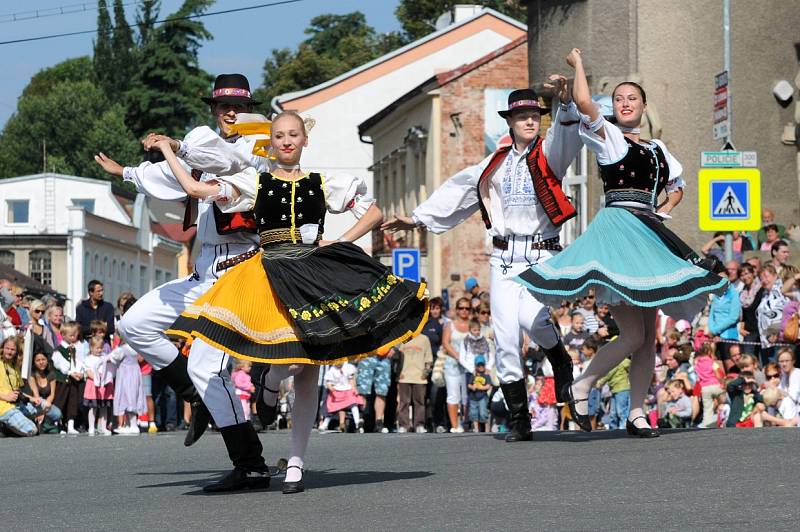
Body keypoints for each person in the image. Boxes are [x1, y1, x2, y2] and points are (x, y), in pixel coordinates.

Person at [156, 110, 428, 494]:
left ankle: (297, 462)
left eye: (293, 134)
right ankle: (269, 382)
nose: (286, 141)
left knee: (310, 368)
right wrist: (171, 151)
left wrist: (342, 241)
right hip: (270, 272)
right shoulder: (255, 182)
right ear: (272, 140)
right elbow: (200, 191)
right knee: (291, 361)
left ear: (304, 140)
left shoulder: (323, 182)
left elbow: (375, 213)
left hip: (314, 270)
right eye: (280, 135)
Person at [516, 48, 727, 438]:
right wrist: (579, 65)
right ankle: (582, 383)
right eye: (619, 99)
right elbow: (582, 101)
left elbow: (677, 187)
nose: (625, 104)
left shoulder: (658, 149)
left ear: (644, 106)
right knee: (632, 335)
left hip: (646, 231)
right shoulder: (609, 135)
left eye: (632, 98)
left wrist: (659, 213)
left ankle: (636, 412)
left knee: (647, 339)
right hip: (618, 231)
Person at [382, 75, 583, 442]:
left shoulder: (549, 154)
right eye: (521, 115)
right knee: (505, 336)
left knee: (532, 320)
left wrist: (565, 102)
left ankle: (559, 356)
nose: (529, 120)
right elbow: (459, 190)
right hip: (505, 256)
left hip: (541, 254)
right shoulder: (496, 162)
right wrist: (417, 218)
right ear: (509, 121)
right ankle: (520, 419)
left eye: (535, 115)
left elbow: (566, 136)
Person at [94, 74, 268, 449]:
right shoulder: (203, 144)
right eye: (224, 106)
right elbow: (168, 174)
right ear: (215, 109)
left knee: (209, 368)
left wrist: (175, 145)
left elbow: (223, 158)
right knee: (133, 324)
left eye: (238, 106)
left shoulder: (258, 145)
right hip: (205, 270)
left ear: (250, 110)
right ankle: (195, 398)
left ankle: (249, 460)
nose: (231, 113)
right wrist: (124, 171)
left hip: (240, 273)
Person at [0, 337, 59, 436]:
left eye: (13, 349)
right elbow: (8, 395)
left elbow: (18, 391)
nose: (9, 352)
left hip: (16, 404)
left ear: (17, 351)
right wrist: (5, 396)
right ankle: (5, 428)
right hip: (3, 407)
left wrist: (33, 399)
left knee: (47, 407)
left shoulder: (15, 367)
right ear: (2, 348)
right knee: (32, 430)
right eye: (7, 348)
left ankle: (15, 422)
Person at [109, 299, 146, 435]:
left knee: (127, 397)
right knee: (132, 397)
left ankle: (132, 425)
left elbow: (112, 357)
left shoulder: (123, 349)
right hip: (134, 374)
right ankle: (131, 424)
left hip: (125, 376)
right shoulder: (133, 348)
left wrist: (104, 359)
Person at [441, 297, 471, 433]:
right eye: (461, 308)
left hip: (469, 366)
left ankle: (466, 423)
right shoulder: (450, 325)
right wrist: (458, 356)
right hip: (452, 364)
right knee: (453, 394)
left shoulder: (473, 325)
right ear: (457, 310)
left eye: (467, 308)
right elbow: (446, 343)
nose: (464, 311)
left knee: (468, 396)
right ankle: (454, 425)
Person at [51, 322, 86, 435]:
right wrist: (70, 372)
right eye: (71, 335)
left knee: (73, 403)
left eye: (75, 335)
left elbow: (80, 362)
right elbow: (60, 364)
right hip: (63, 381)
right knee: (61, 402)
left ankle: (71, 425)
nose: (74, 337)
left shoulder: (77, 348)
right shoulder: (59, 350)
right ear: (63, 335)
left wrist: (80, 372)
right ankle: (60, 425)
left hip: (73, 381)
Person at [395, 333, 433, 433]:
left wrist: (425, 373)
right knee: (403, 402)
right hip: (404, 376)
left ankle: (419, 425)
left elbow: (428, 358)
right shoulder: (402, 338)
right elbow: (396, 357)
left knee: (420, 402)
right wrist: (398, 373)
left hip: (419, 377)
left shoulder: (424, 338)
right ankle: (404, 425)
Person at [707, 269, 741, 371]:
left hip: (728, 336)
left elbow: (733, 317)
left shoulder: (734, 293)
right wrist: (711, 331)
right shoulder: (716, 296)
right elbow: (711, 315)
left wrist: (715, 330)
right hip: (716, 338)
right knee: (719, 369)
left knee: (731, 370)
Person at [421, 297, 447, 432]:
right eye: (432, 308)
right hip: (424, 363)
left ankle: (439, 423)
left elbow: (444, 343)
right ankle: (424, 423)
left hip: (438, 362)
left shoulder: (444, 324)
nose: (435, 311)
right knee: (423, 394)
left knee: (436, 393)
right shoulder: (425, 323)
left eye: (437, 308)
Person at [82, 336, 114, 436]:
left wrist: (105, 379)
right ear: (91, 348)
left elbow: (110, 367)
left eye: (101, 348)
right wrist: (96, 379)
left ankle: (103, 427)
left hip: (104, 384)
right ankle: (91, 427)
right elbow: (88, 371)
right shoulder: (88, 359)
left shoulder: (105, 357)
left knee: (104, 408)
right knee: (93, 407)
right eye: (97, 348)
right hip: (94, 384)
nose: (99, 350)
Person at [23, 351, 62, 433]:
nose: (41, 362)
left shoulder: (51, 374)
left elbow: (52, 394)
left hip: (46, 403)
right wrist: (41, 411)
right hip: (35, 402)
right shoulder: (32, 375)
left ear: (47, 360)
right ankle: (44, 426)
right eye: (38, 360)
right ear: (34, 362)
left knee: (58, 414)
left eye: (43, 359)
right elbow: (36, 396)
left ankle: (45, 425)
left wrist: (46, 408)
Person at [320, 361, 363, 432]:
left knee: (354, 405)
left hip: (347, 390)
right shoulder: (332, 370)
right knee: (331, 409)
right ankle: (325, 424)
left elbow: (351, 379)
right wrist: (331, 388)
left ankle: (357, 423)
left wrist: (354, 389)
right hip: (336, 391)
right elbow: (328, 382)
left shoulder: (348, 367)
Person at [693, 342, 725, 428]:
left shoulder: (697, 364)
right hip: (715, 385)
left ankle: (707, 425)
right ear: (710, 352)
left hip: (705, 388)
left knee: (707, 408)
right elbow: (718, 375)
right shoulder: (712, 362)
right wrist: (722, 383)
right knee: (724, 401)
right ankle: (724, 418)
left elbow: (698, 377)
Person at [596, 358, 631, 430]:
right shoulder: (613, 363)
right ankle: (613, 428)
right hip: (614, 390)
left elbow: (608, 374)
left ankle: (623, 427)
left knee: (621, 411)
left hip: (622, 389)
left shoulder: (618, 362)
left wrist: (600, 383)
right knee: (613, 412)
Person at [738, 263, 763, 357]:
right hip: (749, 331)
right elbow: (743, 315)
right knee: (748, 358)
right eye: (742, 275)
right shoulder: (742, 293)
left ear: (753, 273)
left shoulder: (761, 289)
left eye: (747, 273)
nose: (745, 277)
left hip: (761, 330)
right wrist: (741, 328)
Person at [466, 355, 492, 432]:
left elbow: (488, 386)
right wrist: (472, 387)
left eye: (482, 365)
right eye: (478, 365)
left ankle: (487, 429)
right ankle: (476, 429)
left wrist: (481, 387)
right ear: (476, 366)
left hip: (482, 397)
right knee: (473, 413)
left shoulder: (486, 375)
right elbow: (469, 384)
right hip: (473, 397)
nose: (480, 367)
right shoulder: (473, 375)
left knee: (483, 413)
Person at [777, 348, 800, 416]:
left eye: (787, 361)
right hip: (791, 410)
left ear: (793, 361)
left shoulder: (797, 374)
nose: (784, 364)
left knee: (787, 401)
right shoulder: (784, 376)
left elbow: (793, 397)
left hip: (797, 410)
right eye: (781, 361)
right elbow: (779, 391)